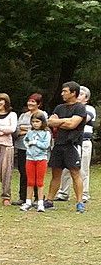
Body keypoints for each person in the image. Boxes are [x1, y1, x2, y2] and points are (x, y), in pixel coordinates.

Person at [45, 81, 88, 212]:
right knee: (55, 173)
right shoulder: (59, 107)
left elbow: (72, 125)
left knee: (75, 173)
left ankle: (80, 202)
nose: (62, 93)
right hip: (58, 144)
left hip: (72, 145)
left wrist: (60, 122)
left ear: (73, 93)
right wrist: (65, 121)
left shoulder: (80, 108)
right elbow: (50, 122)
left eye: (65, 91)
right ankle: (49, 200)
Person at [56, 85, 94, 205]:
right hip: (69, 141)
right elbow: (62, 121)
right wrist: (68, 121)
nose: (79, 96)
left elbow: (78, 122)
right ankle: (63, 193)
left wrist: (63, 121)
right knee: (66, 169)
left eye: (82, 94)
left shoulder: (89, 109)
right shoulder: (67, 108)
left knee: (81, 168)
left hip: (84, 142)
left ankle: (84, 194)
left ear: (86, 98)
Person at [20, 112, 52, 212]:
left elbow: (46, 145)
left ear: (42, 122)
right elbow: (25, 140)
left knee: (39, 182)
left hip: (41, 159)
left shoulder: (46, 133)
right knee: (30, 181)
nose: (35, 124)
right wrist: (28, 146)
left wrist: (35, 142)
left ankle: (40, 202)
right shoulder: (30, 132)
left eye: (37, 121)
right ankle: (28, 202)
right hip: (30, 158)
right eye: (33, 122)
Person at [13, 93, 42, 204]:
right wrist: (29, 129)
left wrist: (25, 129)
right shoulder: (23, 115)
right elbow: (17, 130)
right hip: (21, 147)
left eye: (33, 101)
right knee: (23, 172)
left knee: (35, 173)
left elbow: (41, 128)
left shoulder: (42, 114)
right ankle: (23, 197)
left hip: (36, 148)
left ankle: (37, 197)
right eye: (29, 101)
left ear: (39, 104)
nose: (30, 103)